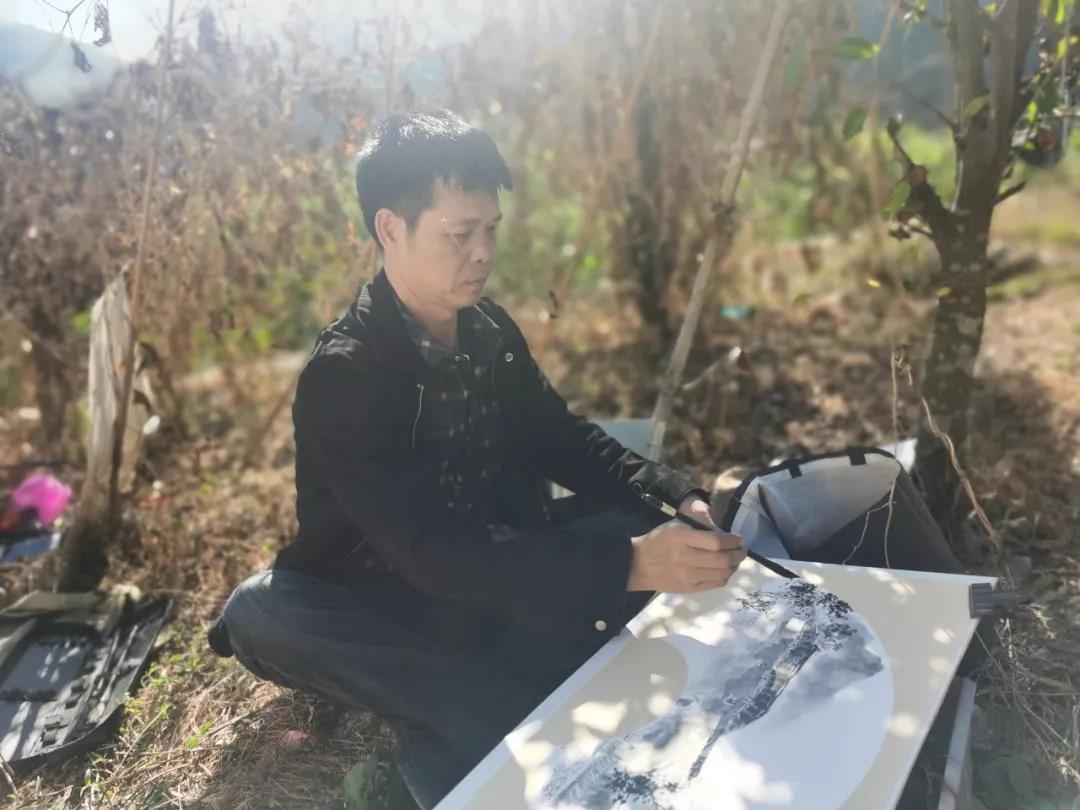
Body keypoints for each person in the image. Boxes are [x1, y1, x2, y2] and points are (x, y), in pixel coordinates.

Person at [208, 110, 746, 809]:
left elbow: (563, 439)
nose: (483, 253)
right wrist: (629, 566)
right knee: (260, 609)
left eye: (490, 229)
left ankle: (466, 710)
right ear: (390, 228)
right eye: (459, 234)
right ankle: (498, 711)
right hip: (395, 603)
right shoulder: (345, 376)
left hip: (501, 575)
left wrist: (675, 494)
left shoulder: (489, 330)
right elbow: (429, 550)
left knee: (638, 520)